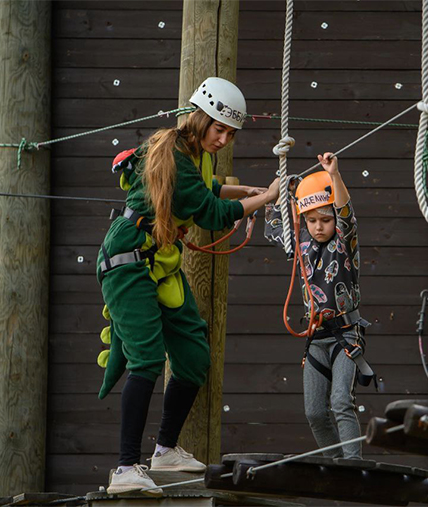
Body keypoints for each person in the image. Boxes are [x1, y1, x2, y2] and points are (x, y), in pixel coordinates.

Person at [95, 77, 279, 495]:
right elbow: (214, 213)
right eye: (220, 129)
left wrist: (246, 190)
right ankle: (126, 467)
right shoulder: (175, 154)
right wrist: (265, 198)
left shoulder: (194, 154)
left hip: (159, 263)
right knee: (144, 358)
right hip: (129, 262)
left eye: (231, 133)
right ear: (200, 119)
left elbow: (209, 190)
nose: (225, 139)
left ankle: (164, 452)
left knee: (193, 354)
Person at [264, 154, 373, 460]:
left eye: (325, 220)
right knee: (314, 412)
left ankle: (352, 462)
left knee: (340, 401)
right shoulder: (301, 245)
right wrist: (277, 190)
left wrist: (334, 176)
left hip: (346, 335)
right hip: (316, 338)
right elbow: (276, 224)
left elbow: (346, 214)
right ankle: (334, 462)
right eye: (311, 220)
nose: (319, 227)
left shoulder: (343, 245)